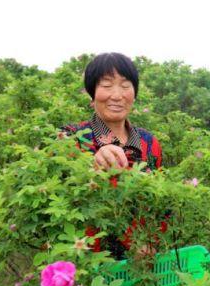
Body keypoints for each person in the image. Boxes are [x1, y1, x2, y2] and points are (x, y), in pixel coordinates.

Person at [62, 52, 165, 258]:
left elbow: (161, 204)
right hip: (87, 260)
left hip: (142, 261)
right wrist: (91, 165)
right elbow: (61, 193)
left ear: (134, 93)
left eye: (125, 86)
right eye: (107, 86)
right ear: (92, 94)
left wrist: (151, 242)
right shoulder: (71, 137)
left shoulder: (149, 142)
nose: (117, 95)